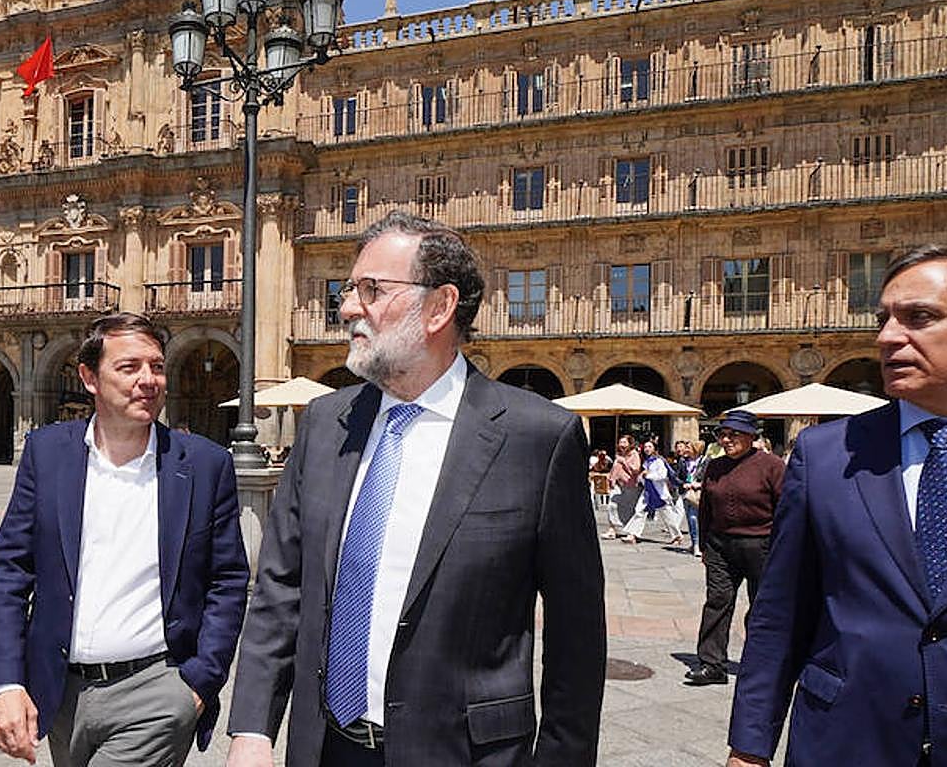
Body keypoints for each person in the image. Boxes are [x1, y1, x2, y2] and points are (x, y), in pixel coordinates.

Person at [226, 211, 606, 767]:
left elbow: (577, 637)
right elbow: (281, 590)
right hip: (326, 748)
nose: (349, 307)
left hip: (466, 754)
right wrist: (254, 728)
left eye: (371, 290)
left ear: (439, 307)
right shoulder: (325, 423)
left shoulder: (536, 437)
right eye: (349, 290)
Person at [726, 245, 947, 767]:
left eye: (920, 318)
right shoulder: (827, 456)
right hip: (845, 743)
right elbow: (780, 616)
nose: (887, 337)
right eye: (884, 318)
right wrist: (749, 747)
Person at [0, 313, 250, 767]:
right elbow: (10, 569)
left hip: (157, 692)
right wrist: (6, 682)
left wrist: (199, 682)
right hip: (60, 691)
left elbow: (227, 579)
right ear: (89, 377)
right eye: (129, 367)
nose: (149, 380)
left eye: (157, 366)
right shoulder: (46, 453)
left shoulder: (205, 464)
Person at [686, 410, 784, 687]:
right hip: (720, 545)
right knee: (717, 601)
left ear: (751, 437)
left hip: (760, 544)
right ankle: (711, 664)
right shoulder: (715, 466)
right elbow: (705, 507)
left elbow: (787, 509)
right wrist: (704, 544)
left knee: (762, 606)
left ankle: (761, 664)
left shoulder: (772, 466)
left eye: (733, 434)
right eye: (723, 434)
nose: (726, 440)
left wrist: (781, 547)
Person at [620, 439, 685, 546]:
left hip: (659, 492)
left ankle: (677, 536)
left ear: (654, 448)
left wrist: (648, 475)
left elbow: (663, 475)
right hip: (648, 492)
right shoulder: (647, 462)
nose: (647, 449)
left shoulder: (659, 461)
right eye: (645, 447)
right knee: (639, 511)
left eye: (649, 447)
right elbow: (643, 477)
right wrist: (641, 478)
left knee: (667, 514)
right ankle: (633, 534)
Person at [603, 434, 643, 540]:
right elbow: (615, 468)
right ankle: (612, 529)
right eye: (620, 442)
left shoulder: (634, 454)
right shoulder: (619, 454)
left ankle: (630, 531)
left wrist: (624, 462)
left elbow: (636, 470)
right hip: (617, 484)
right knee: (612, 505)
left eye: (624, 442)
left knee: (629, 508)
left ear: (630, 444)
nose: (622, 445)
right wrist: (611, 478)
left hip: (630, 484)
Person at [679, 439, 709, 558]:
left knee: (694, 518)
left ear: (695, 449)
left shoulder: (705, 461)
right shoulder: (683, 461)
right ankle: (694, 543)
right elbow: (678, 476)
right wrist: (682, 484)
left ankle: (698, 544)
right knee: (690, 518)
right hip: (686, 493)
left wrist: (699, 484)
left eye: (688, 448)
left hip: (698, 493)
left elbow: (709, 477)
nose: (685, 450)